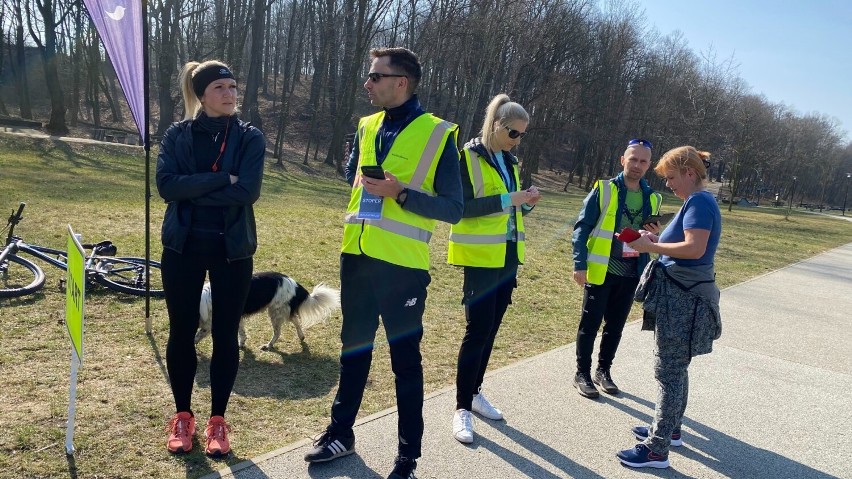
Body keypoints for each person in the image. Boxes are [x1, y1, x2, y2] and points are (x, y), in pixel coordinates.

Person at [303, 47, 462, 479]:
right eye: (368, 75)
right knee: (353, 352)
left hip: (402, 270)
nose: (367, 83)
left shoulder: (440, 134)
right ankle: (340, 433)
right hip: (355, 258)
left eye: (375, 76)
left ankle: (408, 457)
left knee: (404, 361)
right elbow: (357, 179)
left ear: (401, 82)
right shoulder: (365, 126)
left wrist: (402, 194)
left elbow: (453, 208)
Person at [156, 60, 265, 457]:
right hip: (183, 247)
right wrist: (223, 178)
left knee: (225, 333)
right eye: (220, 87)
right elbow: (167, 186)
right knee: (181, 331)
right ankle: (183, 416)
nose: (230, 94)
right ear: (201, 95)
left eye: (233, 86)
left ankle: (218, 421)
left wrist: (194, 188)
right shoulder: (177, 135)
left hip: (232, 250)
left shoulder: (250, 137)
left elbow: (247, 192)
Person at [616, 146, 722, 469]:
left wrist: (652, 245)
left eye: (672, 178)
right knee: (676, 369)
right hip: (683, 295)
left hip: (683, 299)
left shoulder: (700, 202)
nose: (668, 185)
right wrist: (659, 238)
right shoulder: (695, 202)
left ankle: (657, 449)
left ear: (690, 173)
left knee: (669, 372)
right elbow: (688, 244)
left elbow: (694, 248)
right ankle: (671, 429)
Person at [447, 94, 541, 444]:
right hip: (480, 258)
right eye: (514, 133)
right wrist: (510, 199)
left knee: (491, 330)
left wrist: (526, 204)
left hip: (507, 255)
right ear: (496, 126)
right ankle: (461, 409)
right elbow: (461, 208)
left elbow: (511, 210)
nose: (518, 140)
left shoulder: (510, 161)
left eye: (522, 135)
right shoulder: (467, 157)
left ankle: (475, 392)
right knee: (477, 330)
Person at [571, 139, 662, 398]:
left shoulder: (653, 198)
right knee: (590, 324)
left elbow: (650, 237)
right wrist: (579, 264)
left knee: (615, 326)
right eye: (633, 159)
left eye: (643, 161)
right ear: (622, 160)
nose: (637, 165)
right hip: (601, 270)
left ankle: (603, 371)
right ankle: (582, 373)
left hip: (632, 272)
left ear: (649, 165)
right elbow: (582, 228)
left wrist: (654, 234)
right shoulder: (604, 189)